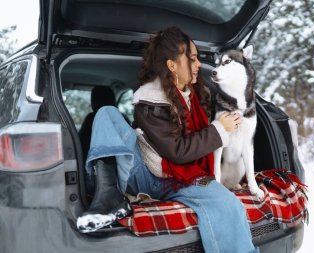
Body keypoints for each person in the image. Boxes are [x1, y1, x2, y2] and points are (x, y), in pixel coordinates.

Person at [77, 26, 259, 253]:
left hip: (182, 177)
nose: (199, 65)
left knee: (230, 207)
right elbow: (177, 152)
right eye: (192, 59)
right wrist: (218, 129)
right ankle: (109, 197)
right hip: (146, 173)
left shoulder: (198, 94)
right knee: (106, 114)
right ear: (172, 65)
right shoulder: (150, 101)